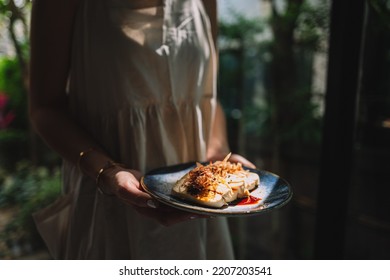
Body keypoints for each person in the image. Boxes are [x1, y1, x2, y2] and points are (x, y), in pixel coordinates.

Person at [29, 0, 255, 259]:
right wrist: (106, 171)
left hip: (201, 205)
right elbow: (45, 108)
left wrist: (219, 153)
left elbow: (205, 95)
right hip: (110, 203)